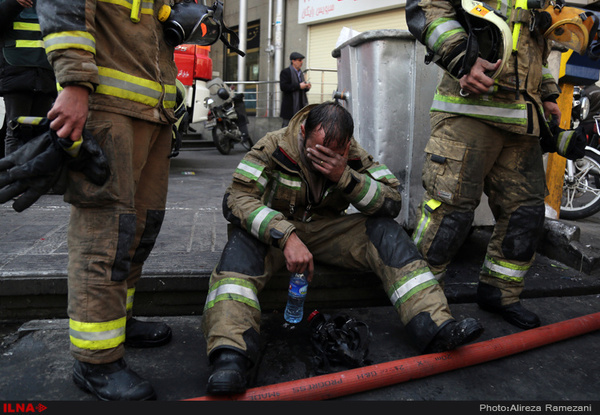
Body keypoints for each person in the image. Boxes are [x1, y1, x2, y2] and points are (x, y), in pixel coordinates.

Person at [201, 101, 484, 395]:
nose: (322, 160)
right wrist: (286, 236)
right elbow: (237, 199)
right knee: (239, 252)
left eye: (333, 154)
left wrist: (344, 176)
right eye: (316, 151)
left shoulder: (353, 154)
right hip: (274, 233)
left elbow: (391, 201)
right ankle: (230, 356)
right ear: (302, 132)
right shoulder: (272, 146)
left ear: (347, 144)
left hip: (326, 231)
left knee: (386, 233)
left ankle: (435, 326)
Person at [35, 0, 180, 401]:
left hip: (153, 113)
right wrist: (75, 84)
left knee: (139, 229)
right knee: (105, 234)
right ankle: (96, 362)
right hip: (107, 108)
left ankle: (118, 321)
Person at [406, 0, 563, 330]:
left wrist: (547, 92)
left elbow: (531, 42)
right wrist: (462, 59)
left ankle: (500, 292)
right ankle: (421, 305)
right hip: (468, 111)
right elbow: (429, 9)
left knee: (526, 214)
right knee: (448, 215)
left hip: (522, 122)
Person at [0, 0, 56, 155]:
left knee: (40, 134)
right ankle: (13, 176)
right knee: (16, 130)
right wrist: (13, 3)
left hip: (45, 73)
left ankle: (31, 177)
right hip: (16, 72)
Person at [279, 52, 311, 127]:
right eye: (299, 60)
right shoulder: (286, 72)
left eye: (302, 60)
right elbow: (283, 87)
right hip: (289, 108)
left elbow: (300, 89)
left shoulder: (301, 73)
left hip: (300, 107)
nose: (301, 62)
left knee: (300, 129)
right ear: (293, 61)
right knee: (286, 130)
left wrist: (306, 87)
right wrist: (299, 86)